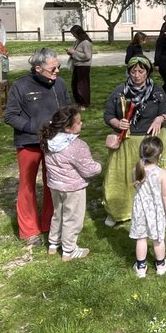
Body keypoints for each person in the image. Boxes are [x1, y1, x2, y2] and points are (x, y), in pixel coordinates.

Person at [3, 48, 71, 245]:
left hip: (54, 143)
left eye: (57, 67)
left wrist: (69, 128)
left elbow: (68, 109)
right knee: (27, 186)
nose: (57, 71)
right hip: (29, 143)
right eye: (53, 69)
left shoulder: (60, 84)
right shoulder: (21, 85)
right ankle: (29, 230)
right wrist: (34, 127)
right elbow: (9, 115)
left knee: (53, 184)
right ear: (38, 68)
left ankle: (49, 224)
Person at [103, 56, 166, 226]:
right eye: (133, 71)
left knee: (151, 178)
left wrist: (159, 119)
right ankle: (118, 210)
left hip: (150, 142)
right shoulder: (120, 91)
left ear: (147, 72)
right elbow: (108, 115)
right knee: (123, 177)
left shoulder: (157, 91)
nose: (137, 75)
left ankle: (155, 207)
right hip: (127, 141)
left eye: (141, 71)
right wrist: (117, 123)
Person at [39, 105, 102, 260]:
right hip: (73, 188)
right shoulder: (77, 146)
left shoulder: (49, 139)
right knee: (72, 218)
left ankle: (53, 243)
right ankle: (69, 250)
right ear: (67, 128)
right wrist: (99, 166)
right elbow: (89, 170)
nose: (82, 124)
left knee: (58, 213)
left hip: (55, 185)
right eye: (79, 123)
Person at [129, 136, 166, 278]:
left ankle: (141, 267)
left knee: (141, 238)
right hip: (156, 211)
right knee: (158, 239)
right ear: (160, 155)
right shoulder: (163, 174)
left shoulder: (135, 170)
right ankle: (160, 265)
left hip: (140, 210)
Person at [66, 25, 93, 108]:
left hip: (83, 67)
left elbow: (87, 56)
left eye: (74, 33)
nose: (73, 35)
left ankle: (84, 103)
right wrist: (71, 52)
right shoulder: (78, 41)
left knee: (82, 86)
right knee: (75, 85)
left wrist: (74, 53)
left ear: (78, 33)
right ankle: (78, 102)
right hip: (77, 65)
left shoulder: (86, 42)